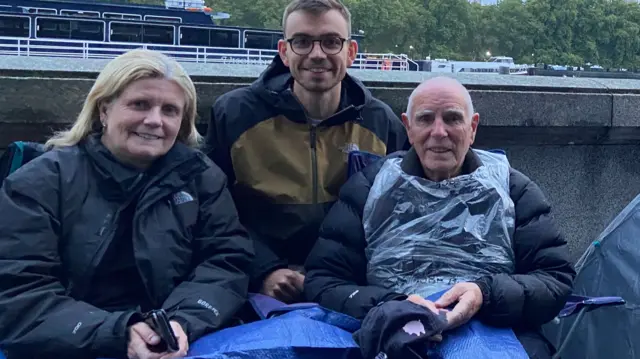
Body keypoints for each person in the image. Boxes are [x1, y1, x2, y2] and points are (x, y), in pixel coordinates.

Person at [0, 49, 254, 359]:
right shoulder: (40, 182)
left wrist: (178, 323)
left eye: (170, 110)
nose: (154, 120)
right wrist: (121, 332)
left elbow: (226, 260)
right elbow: (18, 292)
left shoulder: (201, 178)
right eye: (140, 105)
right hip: (71, 342)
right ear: (103, 110)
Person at [304, 76, 576, 358]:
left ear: (472, 128)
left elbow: (554, 278)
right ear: (408, 128)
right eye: (425, 119)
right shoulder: (368, 189)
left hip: (497, 329)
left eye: (452, 119)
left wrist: (485, 294)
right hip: (392, 329)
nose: (439, 132)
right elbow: (324, 280)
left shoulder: (513, 190)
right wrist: (392, 304)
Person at [206, 0, 408, 303]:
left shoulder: (381, 123)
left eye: (330, 42)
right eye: (302, 41)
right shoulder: (234, 115)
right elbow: (213, 211)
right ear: (284, 52)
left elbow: (398, 215)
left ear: (350, 52)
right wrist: (263, 270)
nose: (317, 54)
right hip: (257, 284)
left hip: (347, 284)